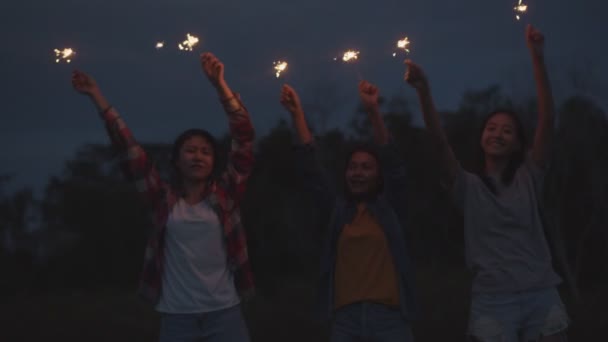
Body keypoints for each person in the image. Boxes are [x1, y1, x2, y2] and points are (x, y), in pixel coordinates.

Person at [71, 52, 255, 342]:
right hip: (177, 318)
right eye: (191, 150)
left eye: (206, 151)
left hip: (225, 314)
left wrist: (220, 85)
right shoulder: (162, 199)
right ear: (177, 160)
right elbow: (127, 147)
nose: (198, 156)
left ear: (213, 162)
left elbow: (244, 139)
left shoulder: (225, 196)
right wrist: (97, 96)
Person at [405, 25, 570, 341]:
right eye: (491, 128)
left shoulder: (529, 177)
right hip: (493, 301)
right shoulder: (467, 187)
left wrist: (537, 58)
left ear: (518, 144)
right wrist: (424, 91)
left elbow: (548, 119)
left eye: (507, 130)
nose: (497, 134)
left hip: (541, 294)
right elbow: (439, 144)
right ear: (481, 137)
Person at [280, 81, 417, 342]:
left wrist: (373, 110)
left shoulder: (391, 210)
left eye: (366, 167)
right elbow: (312, 170)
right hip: (346, 322)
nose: (358, 172)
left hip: (391, 320)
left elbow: (393, 162)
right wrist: (297, 114)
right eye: (353, 167)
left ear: (378, 175)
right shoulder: (338, 212)